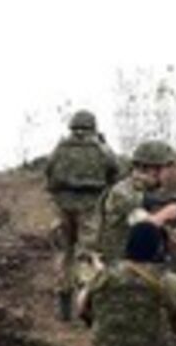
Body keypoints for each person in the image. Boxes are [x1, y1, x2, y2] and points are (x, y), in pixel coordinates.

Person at [44, 110, 120, 321]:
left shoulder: (60, 148)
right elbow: (115, 172)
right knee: (87, 254)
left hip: (62, 208)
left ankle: (64, 306)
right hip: (90, 207)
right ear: (93, 127)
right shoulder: (101, 149)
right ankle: (86, 304)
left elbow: (49, 172)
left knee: (63, 254)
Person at [94, 140, 176, 263]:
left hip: (137, 262)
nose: (169, 174)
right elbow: (144, 228)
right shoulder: (122, 192)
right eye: (166, 168)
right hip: (118, 264)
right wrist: (166, 214)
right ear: (152, 170)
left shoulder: (147, 191)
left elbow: (167, 204)